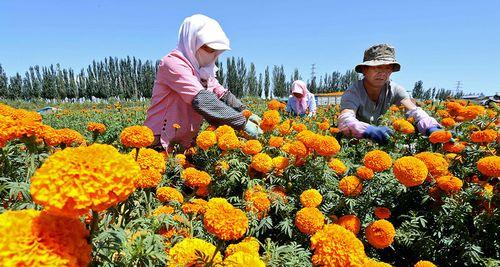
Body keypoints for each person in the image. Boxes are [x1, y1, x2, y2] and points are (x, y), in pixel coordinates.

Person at [144, 14, 261, 151]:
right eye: (209, 48)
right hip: (160, 141)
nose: (212, 54)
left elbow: (221, 94)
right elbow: (201, 99)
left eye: (215, 51)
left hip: (184, 143)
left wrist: (245, 112)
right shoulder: (173, 64)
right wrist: (242, 123)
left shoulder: (203, 72)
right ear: (192, 41)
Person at [339, 44, 441, 145]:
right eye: (377, 67)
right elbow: (345, 119)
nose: (383, 73)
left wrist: (431, 127)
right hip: (356, 145)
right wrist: (368, 131)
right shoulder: (353, 92)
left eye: (387, 68)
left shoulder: (395, 90)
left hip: (383, 144)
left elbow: (414, 111)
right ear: (365, 69)